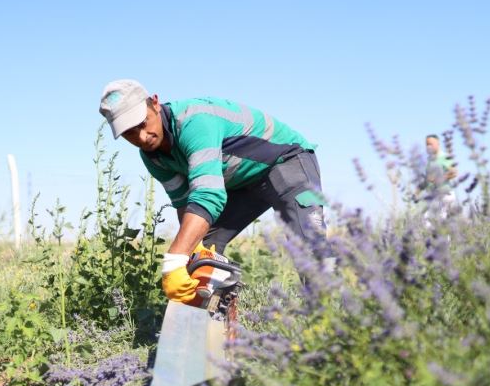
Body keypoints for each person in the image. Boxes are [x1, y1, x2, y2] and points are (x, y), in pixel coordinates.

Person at [99, 79, 327, 304]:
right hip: (239, 182)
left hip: (285, 161)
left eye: (142, 123)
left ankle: (331, 329)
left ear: (155, 103)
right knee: (201, 256)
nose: (141, 137)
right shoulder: (153, 155)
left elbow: (208, 195)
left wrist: (174, 261)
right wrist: (186, 255)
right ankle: (211, 331)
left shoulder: (195, 122)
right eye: (129, 133)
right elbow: (185, 203)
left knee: (309, 248)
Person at [421, 134, 457, 226]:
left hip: (444, 195)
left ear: (438, 144)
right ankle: (438, 239)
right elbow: (428, 180)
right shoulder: (430, 160)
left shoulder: (444, 156)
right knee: (432, 220)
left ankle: (441, 239)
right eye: (427, 144)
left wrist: (439, 178)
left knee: (432, 219)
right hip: (434, 195)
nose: (429, 146)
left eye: (431, 144)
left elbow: (454, 172)